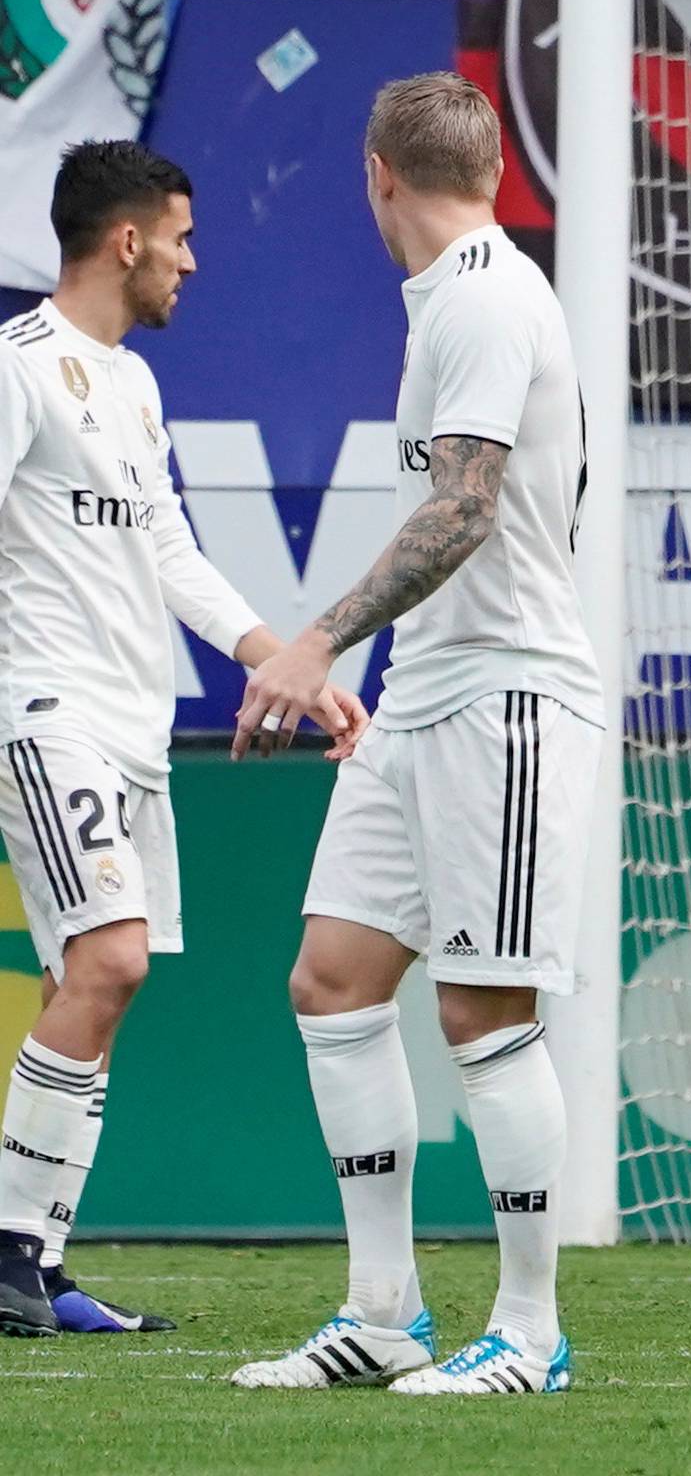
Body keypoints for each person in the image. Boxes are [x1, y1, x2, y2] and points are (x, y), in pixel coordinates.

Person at [225, 73, 602, 1397]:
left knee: (483, 1010)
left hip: (507, 699)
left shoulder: (491, 296)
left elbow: (465, 511)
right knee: (331, 980)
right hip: (427, 691)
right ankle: (383, 1313)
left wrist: (318, 636)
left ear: (374, 171)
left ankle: (534, 1332)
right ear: (491, 167)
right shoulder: (453, 295)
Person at [0, 141, 366, 1338]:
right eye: (183, 237)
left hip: (131, 726)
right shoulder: (18, 371)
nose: (193, 262)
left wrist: (285, 661)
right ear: (126, 241)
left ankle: (40, 1265)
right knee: (110, 963)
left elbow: (168, 557)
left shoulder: (136, 386)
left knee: (86, 985)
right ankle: (4, 1245)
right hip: (43, 708)